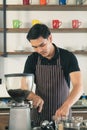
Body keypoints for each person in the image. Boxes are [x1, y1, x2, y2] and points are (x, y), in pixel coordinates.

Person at [23, 23, 83, 125]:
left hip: (62, 115)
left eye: (42, 45)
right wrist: (34, 97)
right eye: (35, 47)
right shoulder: (32, 59)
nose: (39, 50)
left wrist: (67, 105)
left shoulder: (67, 57)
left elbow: (79, 86)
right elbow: (24, 88)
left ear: (50, 38)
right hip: (39, 116)